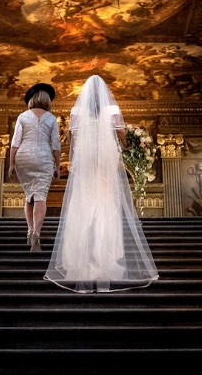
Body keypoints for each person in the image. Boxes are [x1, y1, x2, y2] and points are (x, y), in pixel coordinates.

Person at [45, 74, 158, 292]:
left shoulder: (76, 111)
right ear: (105, 94)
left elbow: (71, 138)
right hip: (106, 160)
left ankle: (81, 260)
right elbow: (120, 133)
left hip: (86, 160)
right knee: (106, 205)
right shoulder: (112, 111)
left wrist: (78, 154)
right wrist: (127, 144)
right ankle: (106, 258)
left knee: (84, 206)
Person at [8, 83, 62, 252]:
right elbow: (56, 145)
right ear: (47, 100)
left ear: (32, 99)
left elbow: (15, 141)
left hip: (23, 156)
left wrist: (11, 163)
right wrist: (58, 166)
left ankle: (30, 230)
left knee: (29, 194)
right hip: (44, 157)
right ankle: (36, 233)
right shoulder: (52, 119)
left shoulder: (23, 116)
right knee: (40, 196)